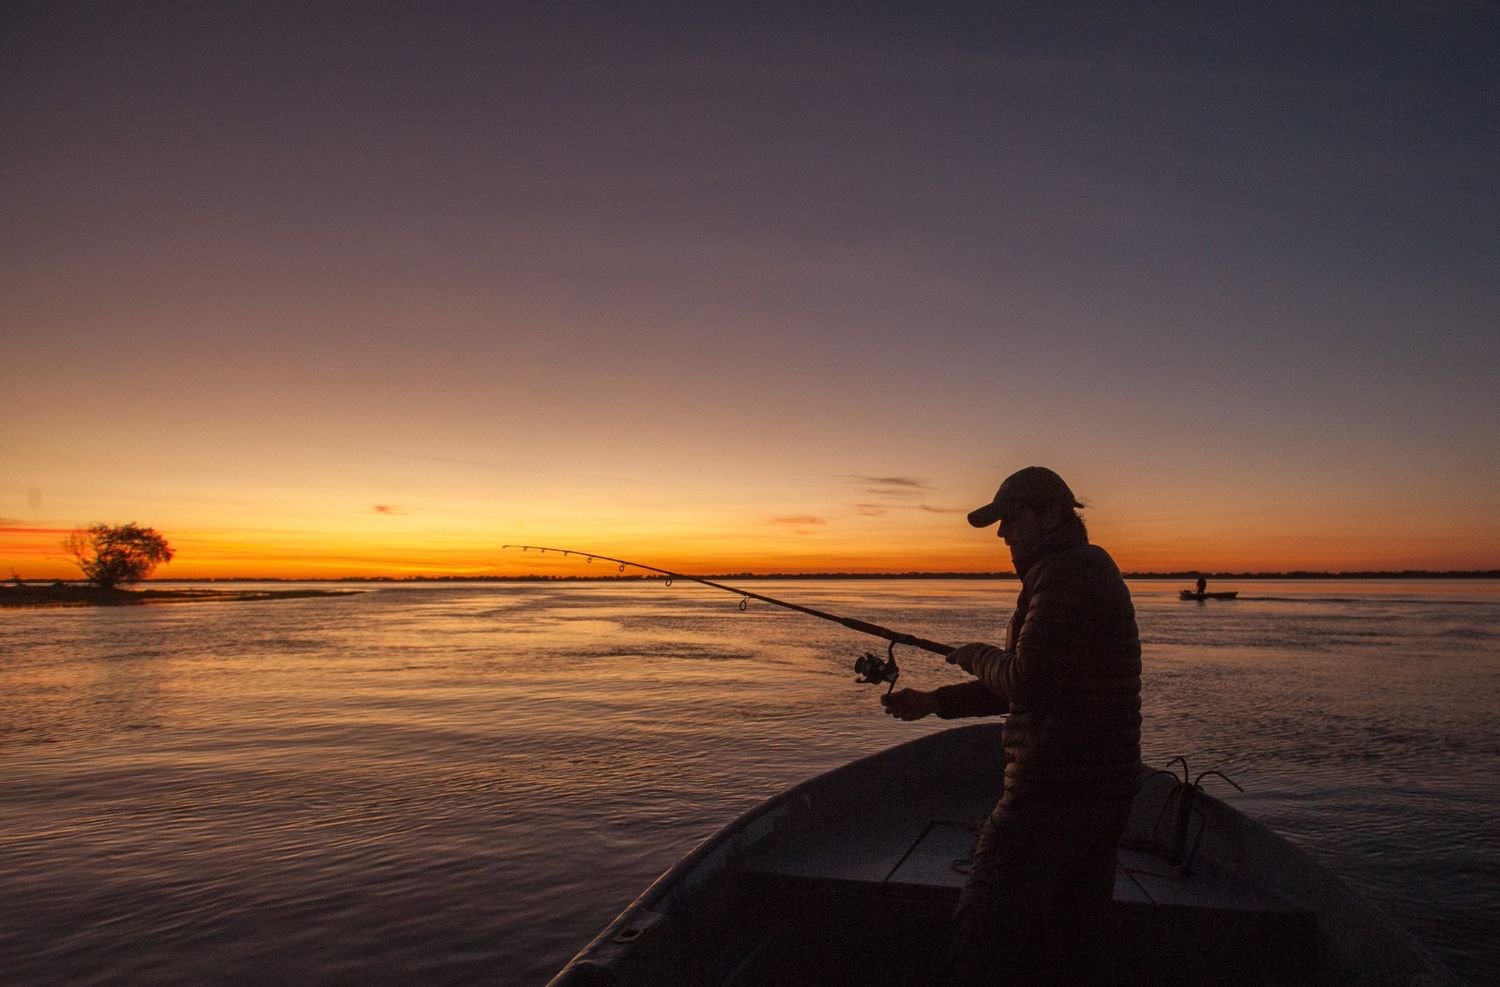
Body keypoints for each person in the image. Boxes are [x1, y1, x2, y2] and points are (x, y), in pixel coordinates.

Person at [881, 466, 1142, 986]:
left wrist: (976, 655)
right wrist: (935, 702)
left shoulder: (1063, 574)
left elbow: (1027, 682)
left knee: (986, 930)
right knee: (1071, 937)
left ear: (1053, 515)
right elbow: (1039, 684)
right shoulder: (1083, 568)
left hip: (1052, 790)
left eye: (1012, 518)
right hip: (1103, 789)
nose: (1002, 533)